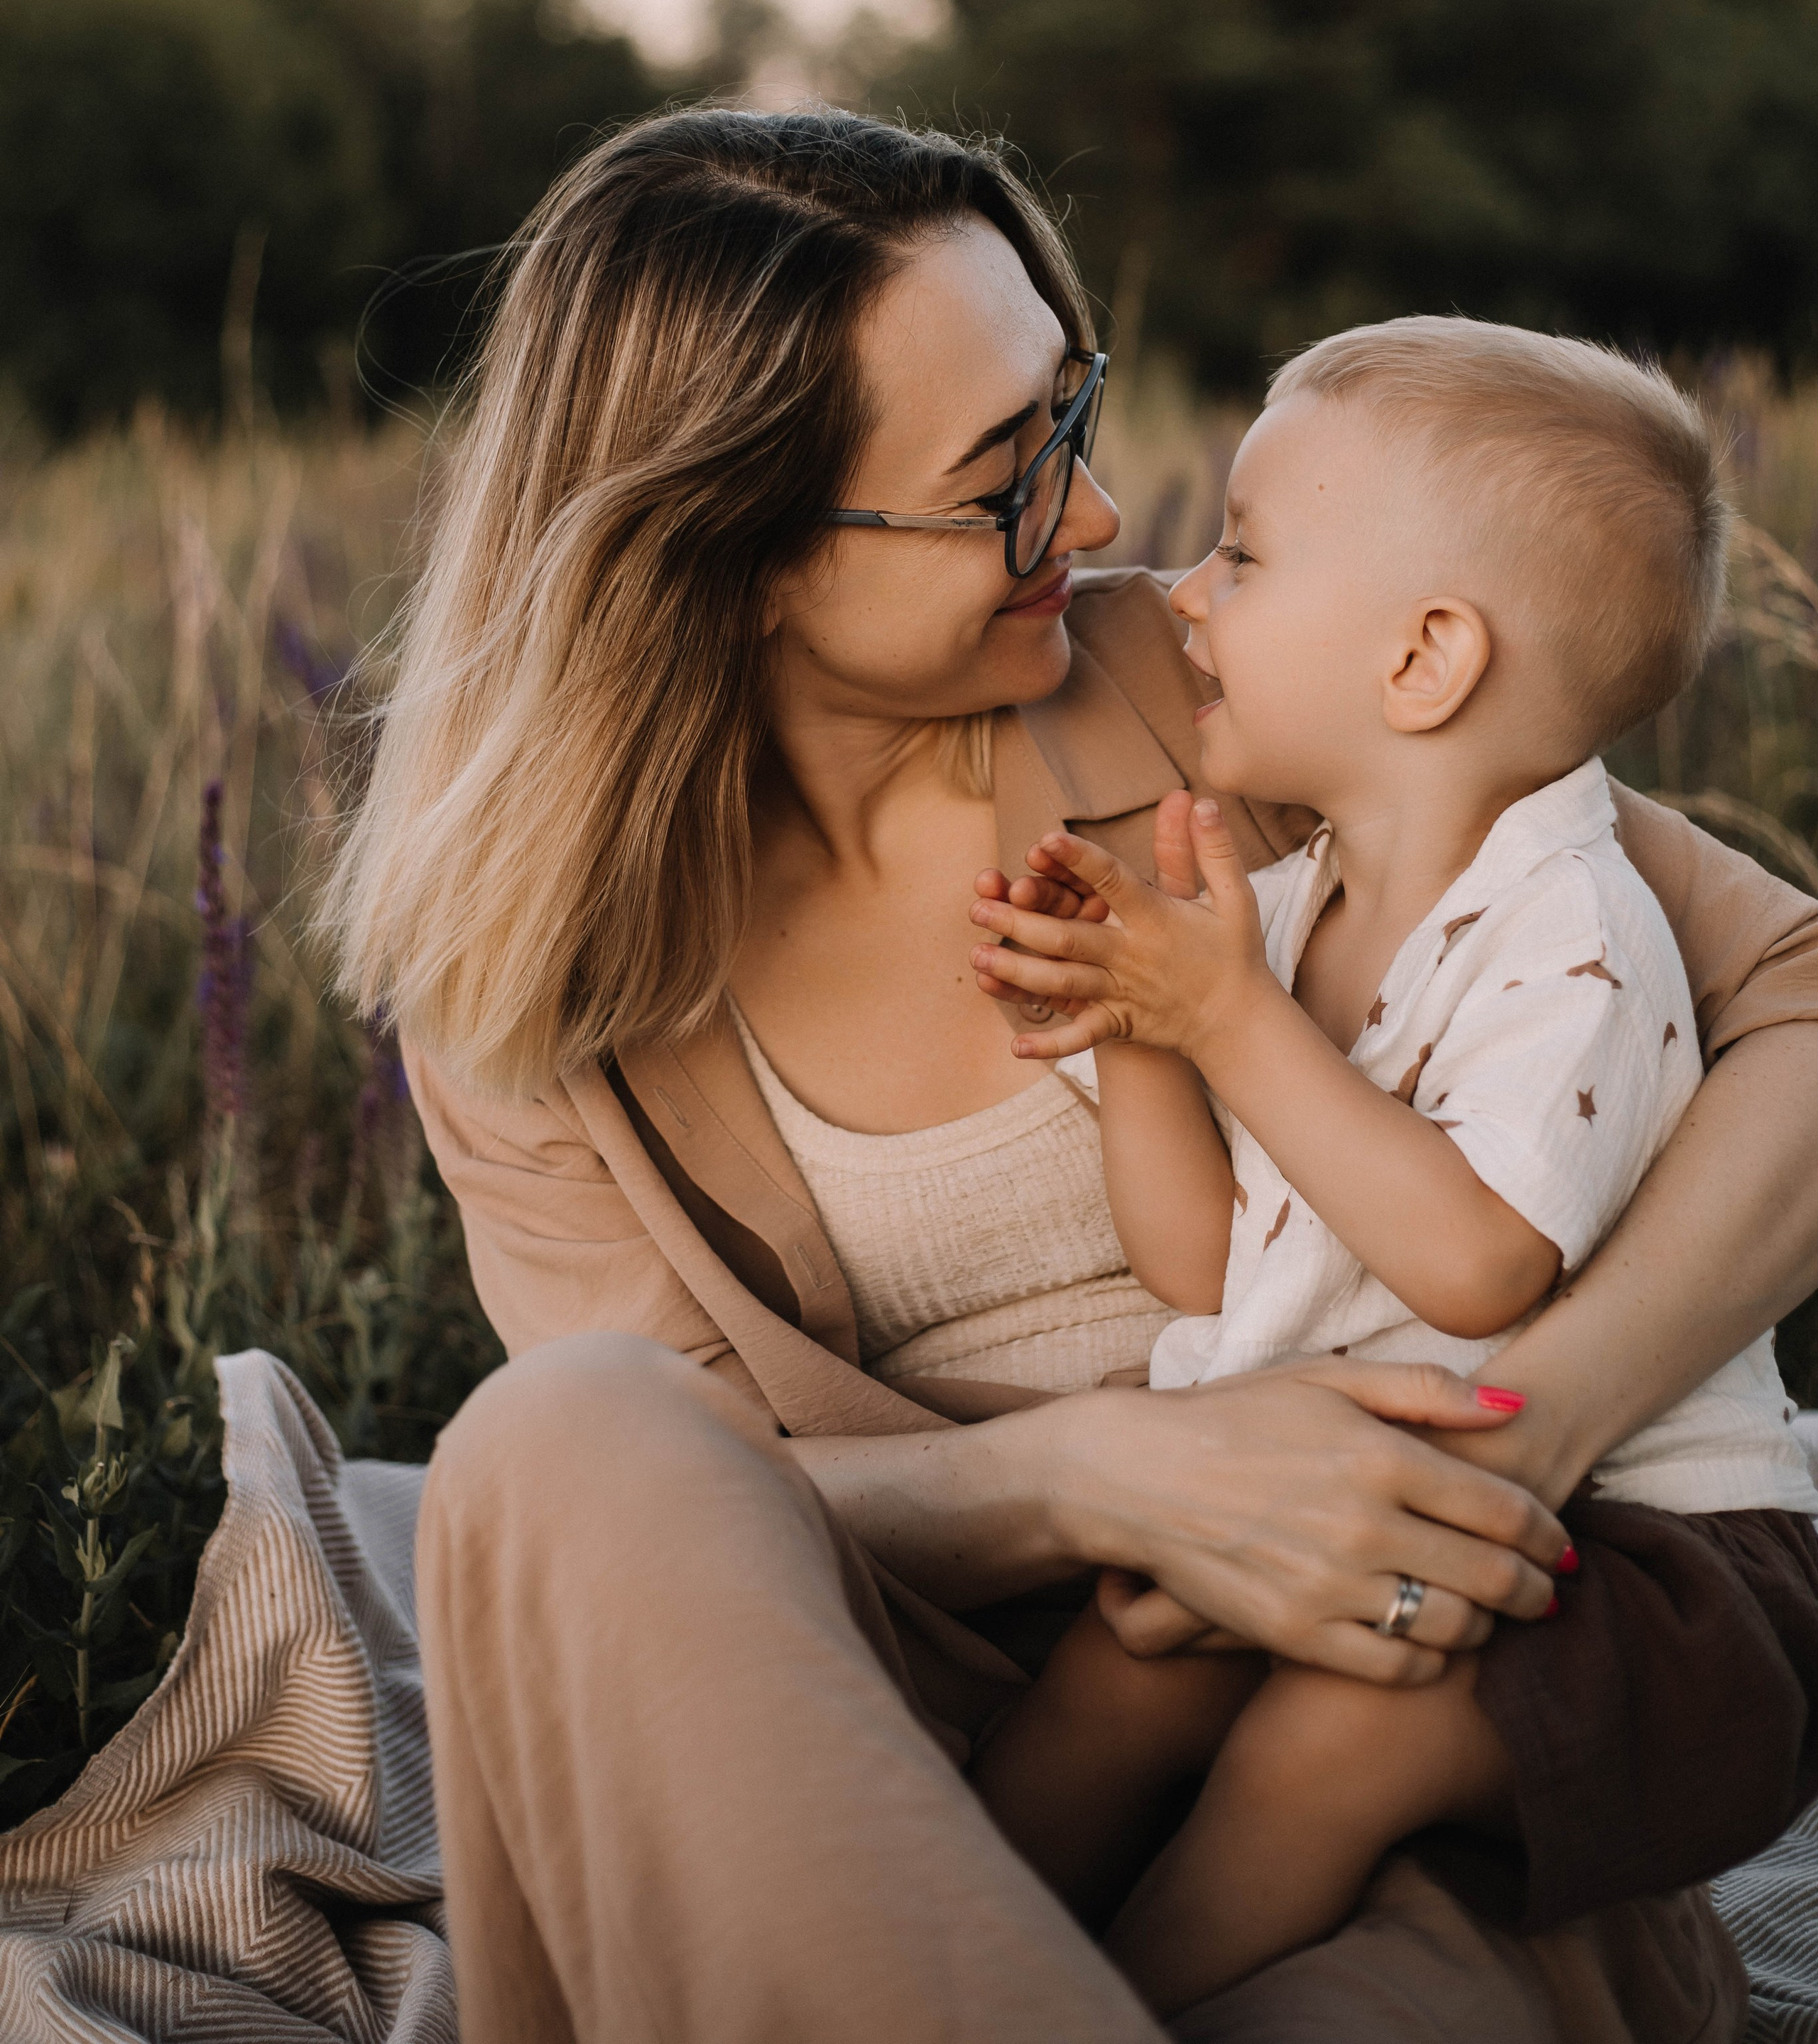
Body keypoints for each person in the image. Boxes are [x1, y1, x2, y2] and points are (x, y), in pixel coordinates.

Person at [324, 107, 1818, 2044]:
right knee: (558, 1443)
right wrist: (1106, 1479)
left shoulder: (1227, 690)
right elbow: (734, 1508)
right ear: (742, 553)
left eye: (1072, 415)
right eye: (1003, 482)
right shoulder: (530, 974)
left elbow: (1794, 1000)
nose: (1107, 525)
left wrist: (1519, 1431)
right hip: (904, 1722)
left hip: (1379, 1703)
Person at [964, 320, 1818, 2017]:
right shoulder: (1280, 919)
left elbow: (1478, 1267)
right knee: (1119, 1668)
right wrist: (1135, 1031)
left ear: (1422, 661)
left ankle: (1106, 2014)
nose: (1184, 595)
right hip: (1394, 1510)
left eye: (1245, 555)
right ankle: (910, 1964)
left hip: (1655, 1560)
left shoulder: (1572, 936)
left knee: (1328, 1743)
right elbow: (1207, 1269)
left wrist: (1222, 1029)